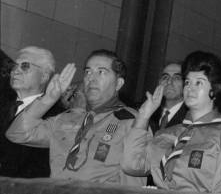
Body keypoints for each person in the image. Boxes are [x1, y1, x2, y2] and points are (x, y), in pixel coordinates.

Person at [6, 49, 148, 185]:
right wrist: (48, 99)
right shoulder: (65, 119)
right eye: (87, 72)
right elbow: (17, 134)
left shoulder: (132, 122)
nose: (91, 78)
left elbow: (133, 183)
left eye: (101, 72)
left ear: (118, 83)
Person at [122, 51, 221, 193]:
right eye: (187, 82)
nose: (190, 88)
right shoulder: (167, 133)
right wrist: (143, 117)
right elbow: (131, 165)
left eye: (198, 83)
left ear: (214, 90)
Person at [0, 46, 63, 178]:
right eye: (14, 66)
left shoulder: (56, 116)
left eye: (25, 66)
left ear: (44, 76)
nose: (15, 71)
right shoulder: (4, 104)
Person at [149, 61, 187, 133]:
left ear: (186, 83)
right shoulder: (149, 112)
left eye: (177, 78)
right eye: (165, 77)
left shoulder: (191, 117)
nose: (169, 82)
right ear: (159, 82)